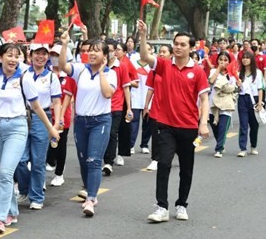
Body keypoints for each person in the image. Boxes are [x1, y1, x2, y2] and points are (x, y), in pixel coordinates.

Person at [0, 41, 59, 233]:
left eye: (17, 55)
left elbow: (36, 107)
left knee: (7, 173)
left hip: (17, 127)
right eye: (9, 55)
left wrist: (50, 128)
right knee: (2, 173)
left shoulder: (25, 78)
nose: (13, 59)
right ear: (0, 58)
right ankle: (12, 210)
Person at [137, 20, 210, 223]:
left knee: (186, 168)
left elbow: (204, 99)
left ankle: (181, 204)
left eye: (182, 44)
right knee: (164, 164)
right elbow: (144, 57)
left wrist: (203, 122)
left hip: (188, 126)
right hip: (166, 125)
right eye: (176, 43)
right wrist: (143, 35)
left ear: (191, 48)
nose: (178, 47)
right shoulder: (163, 65)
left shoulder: (197, 71)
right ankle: (161, 206)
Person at [58, 32, 116, 217]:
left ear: (105, 56)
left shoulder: (110, 73)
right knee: (84, 161)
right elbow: (62, 66)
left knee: (94, 160)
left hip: (101, 121)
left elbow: (108, 94)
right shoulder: (80, 69)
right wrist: (65, 44)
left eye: (96, 52)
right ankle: (90, 191)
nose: (91, 54)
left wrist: (100, 73)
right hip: (81, 121)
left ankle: (91, 198)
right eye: (90, 51)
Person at [15, 43, 62, 210]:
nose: (40, 57)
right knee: (20, 160)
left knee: (38, 161)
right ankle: (24, 188)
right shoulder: (22, 74)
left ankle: (36, 196)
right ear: (30, 55)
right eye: (37, 53)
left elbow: (57, 102)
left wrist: (55, 124)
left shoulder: (51, 77)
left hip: (43, 120)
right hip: (22, 117)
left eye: (44, 54)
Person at [46, 44, 76, 187]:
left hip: (63, 114)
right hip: (45, 115)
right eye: (52, 55)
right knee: (46, 143)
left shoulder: (68, 75)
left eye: (57, 55)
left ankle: (59, 174)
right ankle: (50, 162)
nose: (54, 58)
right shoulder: (46, 72)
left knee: (60, 143)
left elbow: (69, 97)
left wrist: (61, 116)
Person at [102, 39, 133, 175]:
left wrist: (129, 108)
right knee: (102, 134)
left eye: (110, 50)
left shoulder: (122, 67)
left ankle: (109, 162)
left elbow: (126, 88)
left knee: (112, 133)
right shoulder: (99, 66)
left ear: (115, 51)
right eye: (106, 50)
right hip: (101, 106)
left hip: (116, 106)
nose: (108, 53)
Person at [143, 44, 173, 171]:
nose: (161, 54)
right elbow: (150, 89)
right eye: (160, 52)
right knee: (156, 134)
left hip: (171, 109)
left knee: (170, 135)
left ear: (171, 55)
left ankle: (170, 153)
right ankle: (155, 159)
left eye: (164, 52)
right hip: (156, 108)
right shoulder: (154, 71)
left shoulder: (174, 69)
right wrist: (146, 106)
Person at [208, 52, 239, 158]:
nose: (223, 62)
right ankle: (220, 143)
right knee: (214, 126)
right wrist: (218, 70)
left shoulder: (232, 75)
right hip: (213, 104)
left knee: (222, 127)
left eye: (225, 60)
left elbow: (234, 88)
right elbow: (211, 81)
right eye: (221, 59)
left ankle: (219, 149)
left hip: (226, 104)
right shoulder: (213, 71)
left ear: (229, 62)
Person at [237, 51, 263, 157]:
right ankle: (243, 148)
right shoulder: (239, 72)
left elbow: (260, 89)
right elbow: (237, 90)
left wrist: (260, 103)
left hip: (254, 99)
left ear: (251, 59)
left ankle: (253, 146)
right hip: (242, 99)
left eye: (247, 58)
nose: (245, 59)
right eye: (243, 58)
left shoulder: (258, 72)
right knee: (243, 124)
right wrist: (238, 85)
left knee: (254, 125)